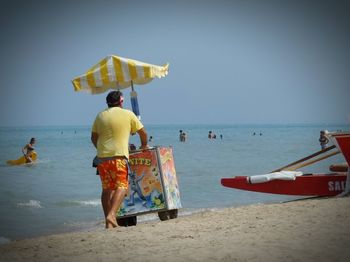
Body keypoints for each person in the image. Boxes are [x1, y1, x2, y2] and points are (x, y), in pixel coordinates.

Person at [91, 90, 148, 229]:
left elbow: (93, 138)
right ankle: (111, 215)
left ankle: (108, 223)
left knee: (106, 189)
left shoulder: (100, 116)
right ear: (121, 101)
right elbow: (143, 132)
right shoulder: (128, 114)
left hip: (102, 159)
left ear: (107, 102)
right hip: (119, 157)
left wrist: (101, 150)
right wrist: (144, 145)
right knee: (122, 186)